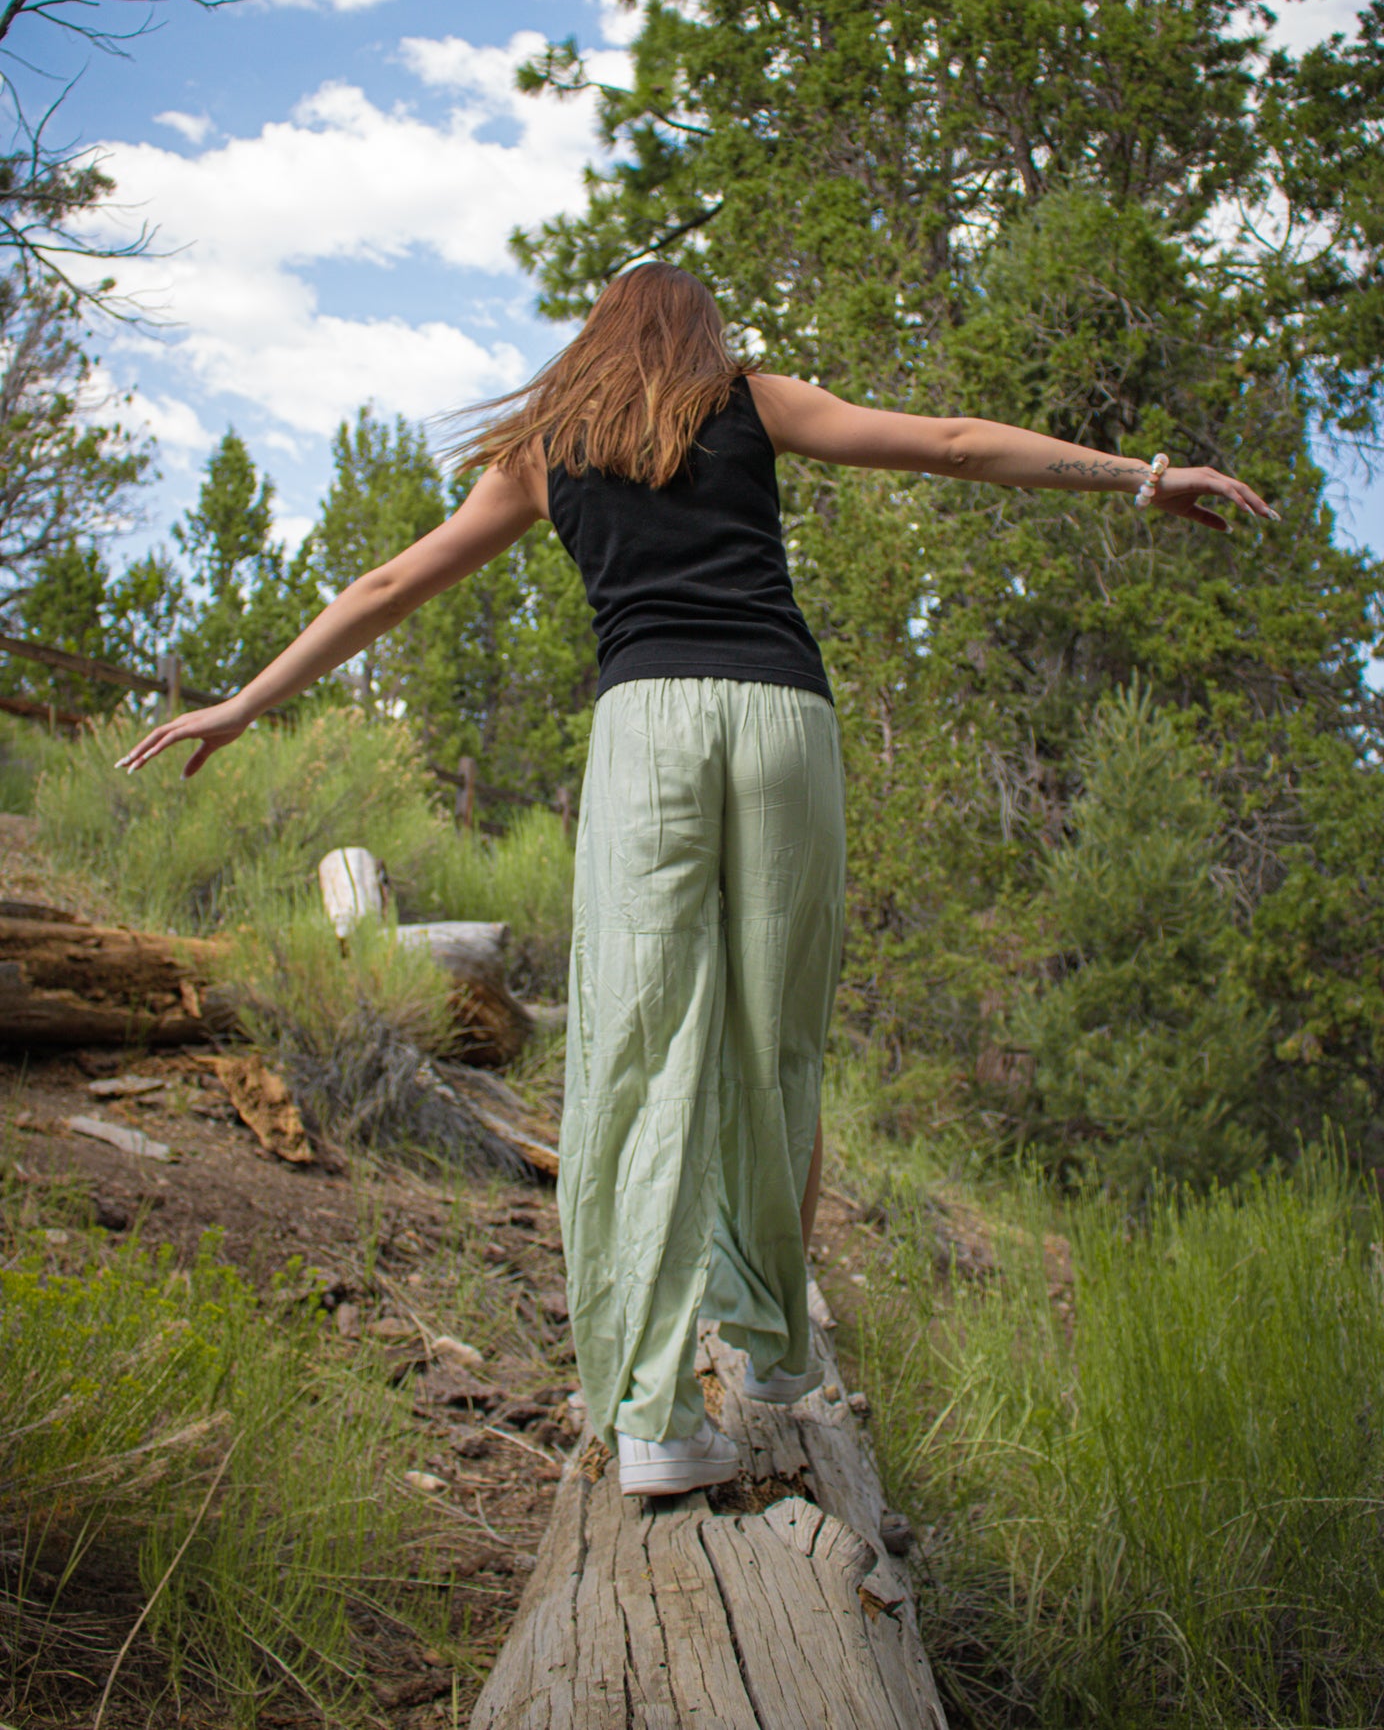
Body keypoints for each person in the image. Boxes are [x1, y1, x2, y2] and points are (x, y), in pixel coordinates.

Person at [118, 261, 1276, 1497]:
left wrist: (245, 703)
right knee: (777, 1038)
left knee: (636, 1051)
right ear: (701, 330)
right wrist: (1141, 475)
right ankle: (773, 1355)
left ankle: (652, 1416)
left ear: (595, 336)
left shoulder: (545, 447)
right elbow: (948, 444)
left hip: (647, 730)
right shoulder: (751, 399)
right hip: (783, 722)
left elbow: (388, 584)